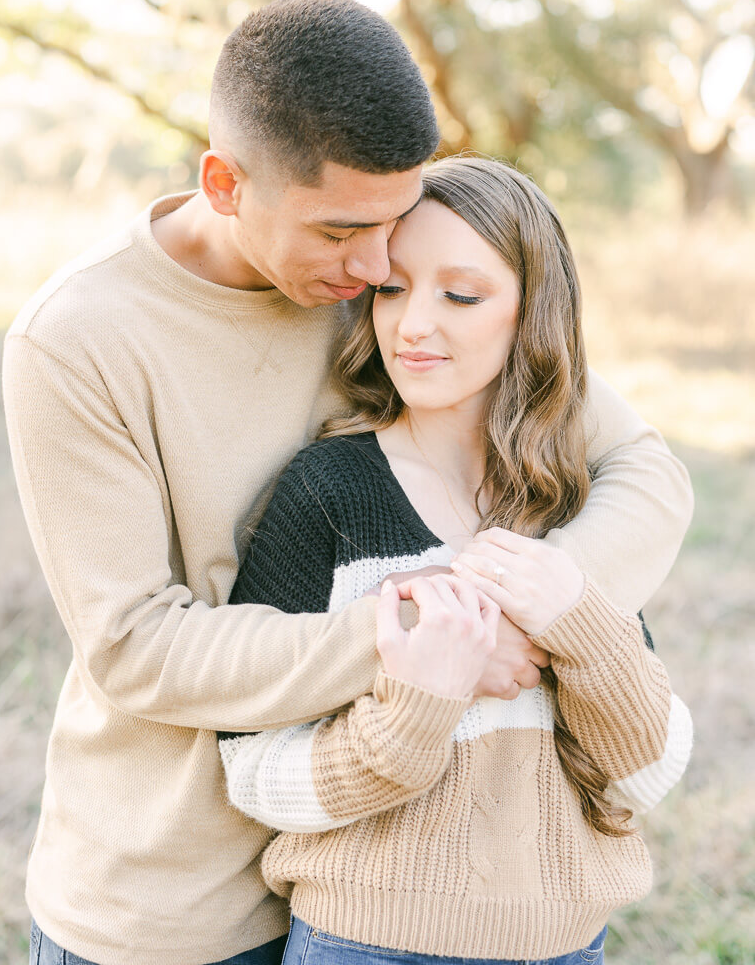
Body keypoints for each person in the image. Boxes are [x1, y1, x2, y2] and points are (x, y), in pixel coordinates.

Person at [3, 0, 693, 965]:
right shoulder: (76, 341)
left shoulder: (395, 297)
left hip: (374, 877)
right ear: (225, 182)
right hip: (172, 905)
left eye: (393, 224)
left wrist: (540, 612)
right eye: (337, 232)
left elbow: (642, 466)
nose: (375, 267)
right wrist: (414, 636)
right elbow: (134, 649)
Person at [218, 156, 693, 965]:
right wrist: (412, 715)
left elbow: (646, 776)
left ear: (530, 313)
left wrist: (574, 618)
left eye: (462, 296)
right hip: (364, 944)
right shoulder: (329, 491)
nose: (411, 326)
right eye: (392, 290)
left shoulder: (571, 507)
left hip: (567, 949)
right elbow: (251, 770)